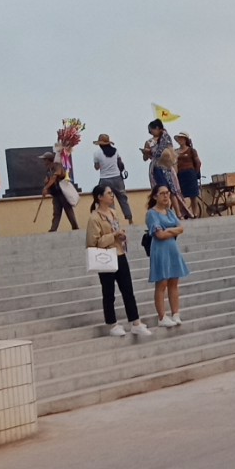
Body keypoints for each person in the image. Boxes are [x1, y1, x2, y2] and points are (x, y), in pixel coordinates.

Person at [87, 183, 151, 337]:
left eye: (112, 193)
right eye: (108, 193)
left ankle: (135, 322)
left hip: (120, 254)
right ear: (100, 197)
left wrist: (121, 236)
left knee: (128, 290)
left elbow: (116, 231)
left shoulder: (113, 213)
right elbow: (93, 242)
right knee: (109, 292)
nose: (112, 196)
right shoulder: (94, 218)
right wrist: (113, 235)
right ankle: (112, 324)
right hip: (105, 257)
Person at [145, 184, 189, 327]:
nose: (166, 196)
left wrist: (169, 230)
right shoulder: (152, 213)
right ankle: (162, 316)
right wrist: (172, 230)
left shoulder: (169, 212)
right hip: (160, 249)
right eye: (162, 193)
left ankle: (175, 313)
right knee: (162, 283)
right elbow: (159, 234)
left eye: (167, 193)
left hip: (172, 248)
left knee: (174, 281)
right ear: (155, 196)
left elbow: (180, 228)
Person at [91, 134, 132, 222]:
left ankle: (113, 220)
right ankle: (130, 219)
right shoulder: (115, 151)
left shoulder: (97, 153)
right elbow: (120, 163)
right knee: (123, 199)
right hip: (117, 178)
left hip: (105, 179)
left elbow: (97, 167)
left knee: (109, 201)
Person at [40, 152, 79, 232]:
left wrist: (46, 187)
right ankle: (53, 229)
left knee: (68, 210)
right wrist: (46, 186)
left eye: (45, 160)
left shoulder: (58, 166)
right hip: (56, 193)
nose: (44, 162)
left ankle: (75, 227)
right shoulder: (49, 169)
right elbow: (49, 180)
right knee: (56, 212)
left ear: (49, 160)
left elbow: (54, 178)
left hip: (62, 192)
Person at [174, 132, 203, 218]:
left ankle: (195, 213)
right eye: (179, 139)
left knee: (193, 195)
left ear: (185, 140)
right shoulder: (175, 152)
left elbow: (198, 162)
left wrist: (195, 173)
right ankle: (184, 212)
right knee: (180, 195)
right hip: (180, 174)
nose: (180, 140)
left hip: (190, 174)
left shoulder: (191, 150)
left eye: (182, 138)